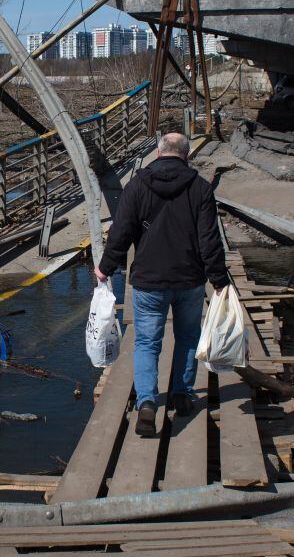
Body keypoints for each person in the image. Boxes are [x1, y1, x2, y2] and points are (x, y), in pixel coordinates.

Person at [94, 132, 229, 437]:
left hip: (148, 281)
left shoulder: (138, 185)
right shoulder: (200, 188)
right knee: (188, 337)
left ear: (158, 153)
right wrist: (219, 280)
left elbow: (121, 232)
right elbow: (210, 239)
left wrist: (105, 268)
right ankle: (182, 394)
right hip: (189, 278)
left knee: (146, 343)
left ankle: (146, 403)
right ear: (187, 155)